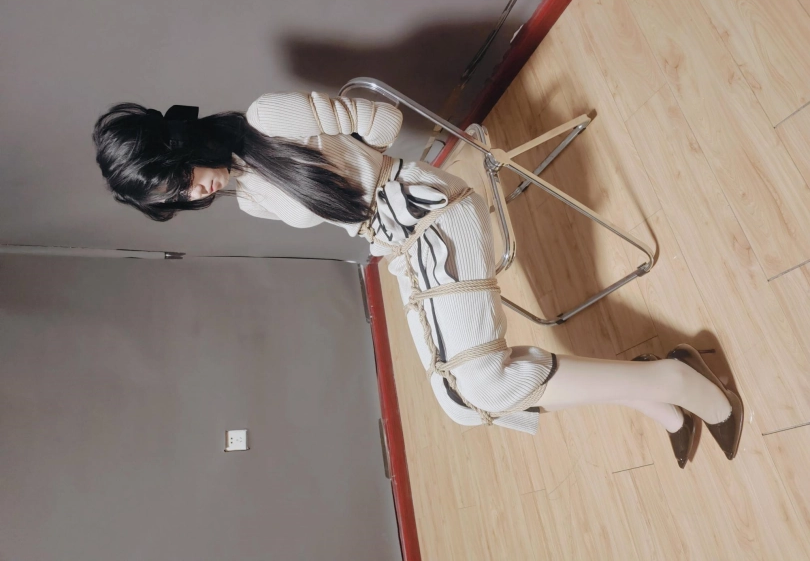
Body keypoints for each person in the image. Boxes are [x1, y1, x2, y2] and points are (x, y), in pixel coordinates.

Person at [93, 91, 743, 467]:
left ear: (180, 147)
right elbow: (352, 222)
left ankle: (674, 380)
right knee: (461, 405)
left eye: (181, 180)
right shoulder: (250, 197)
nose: (193, 194)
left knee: (482, 382)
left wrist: (354, 146)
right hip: (402, 247)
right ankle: (651, 389)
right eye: (176, 198)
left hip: (435, 214)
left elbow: (384, 122)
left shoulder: (268, 118)